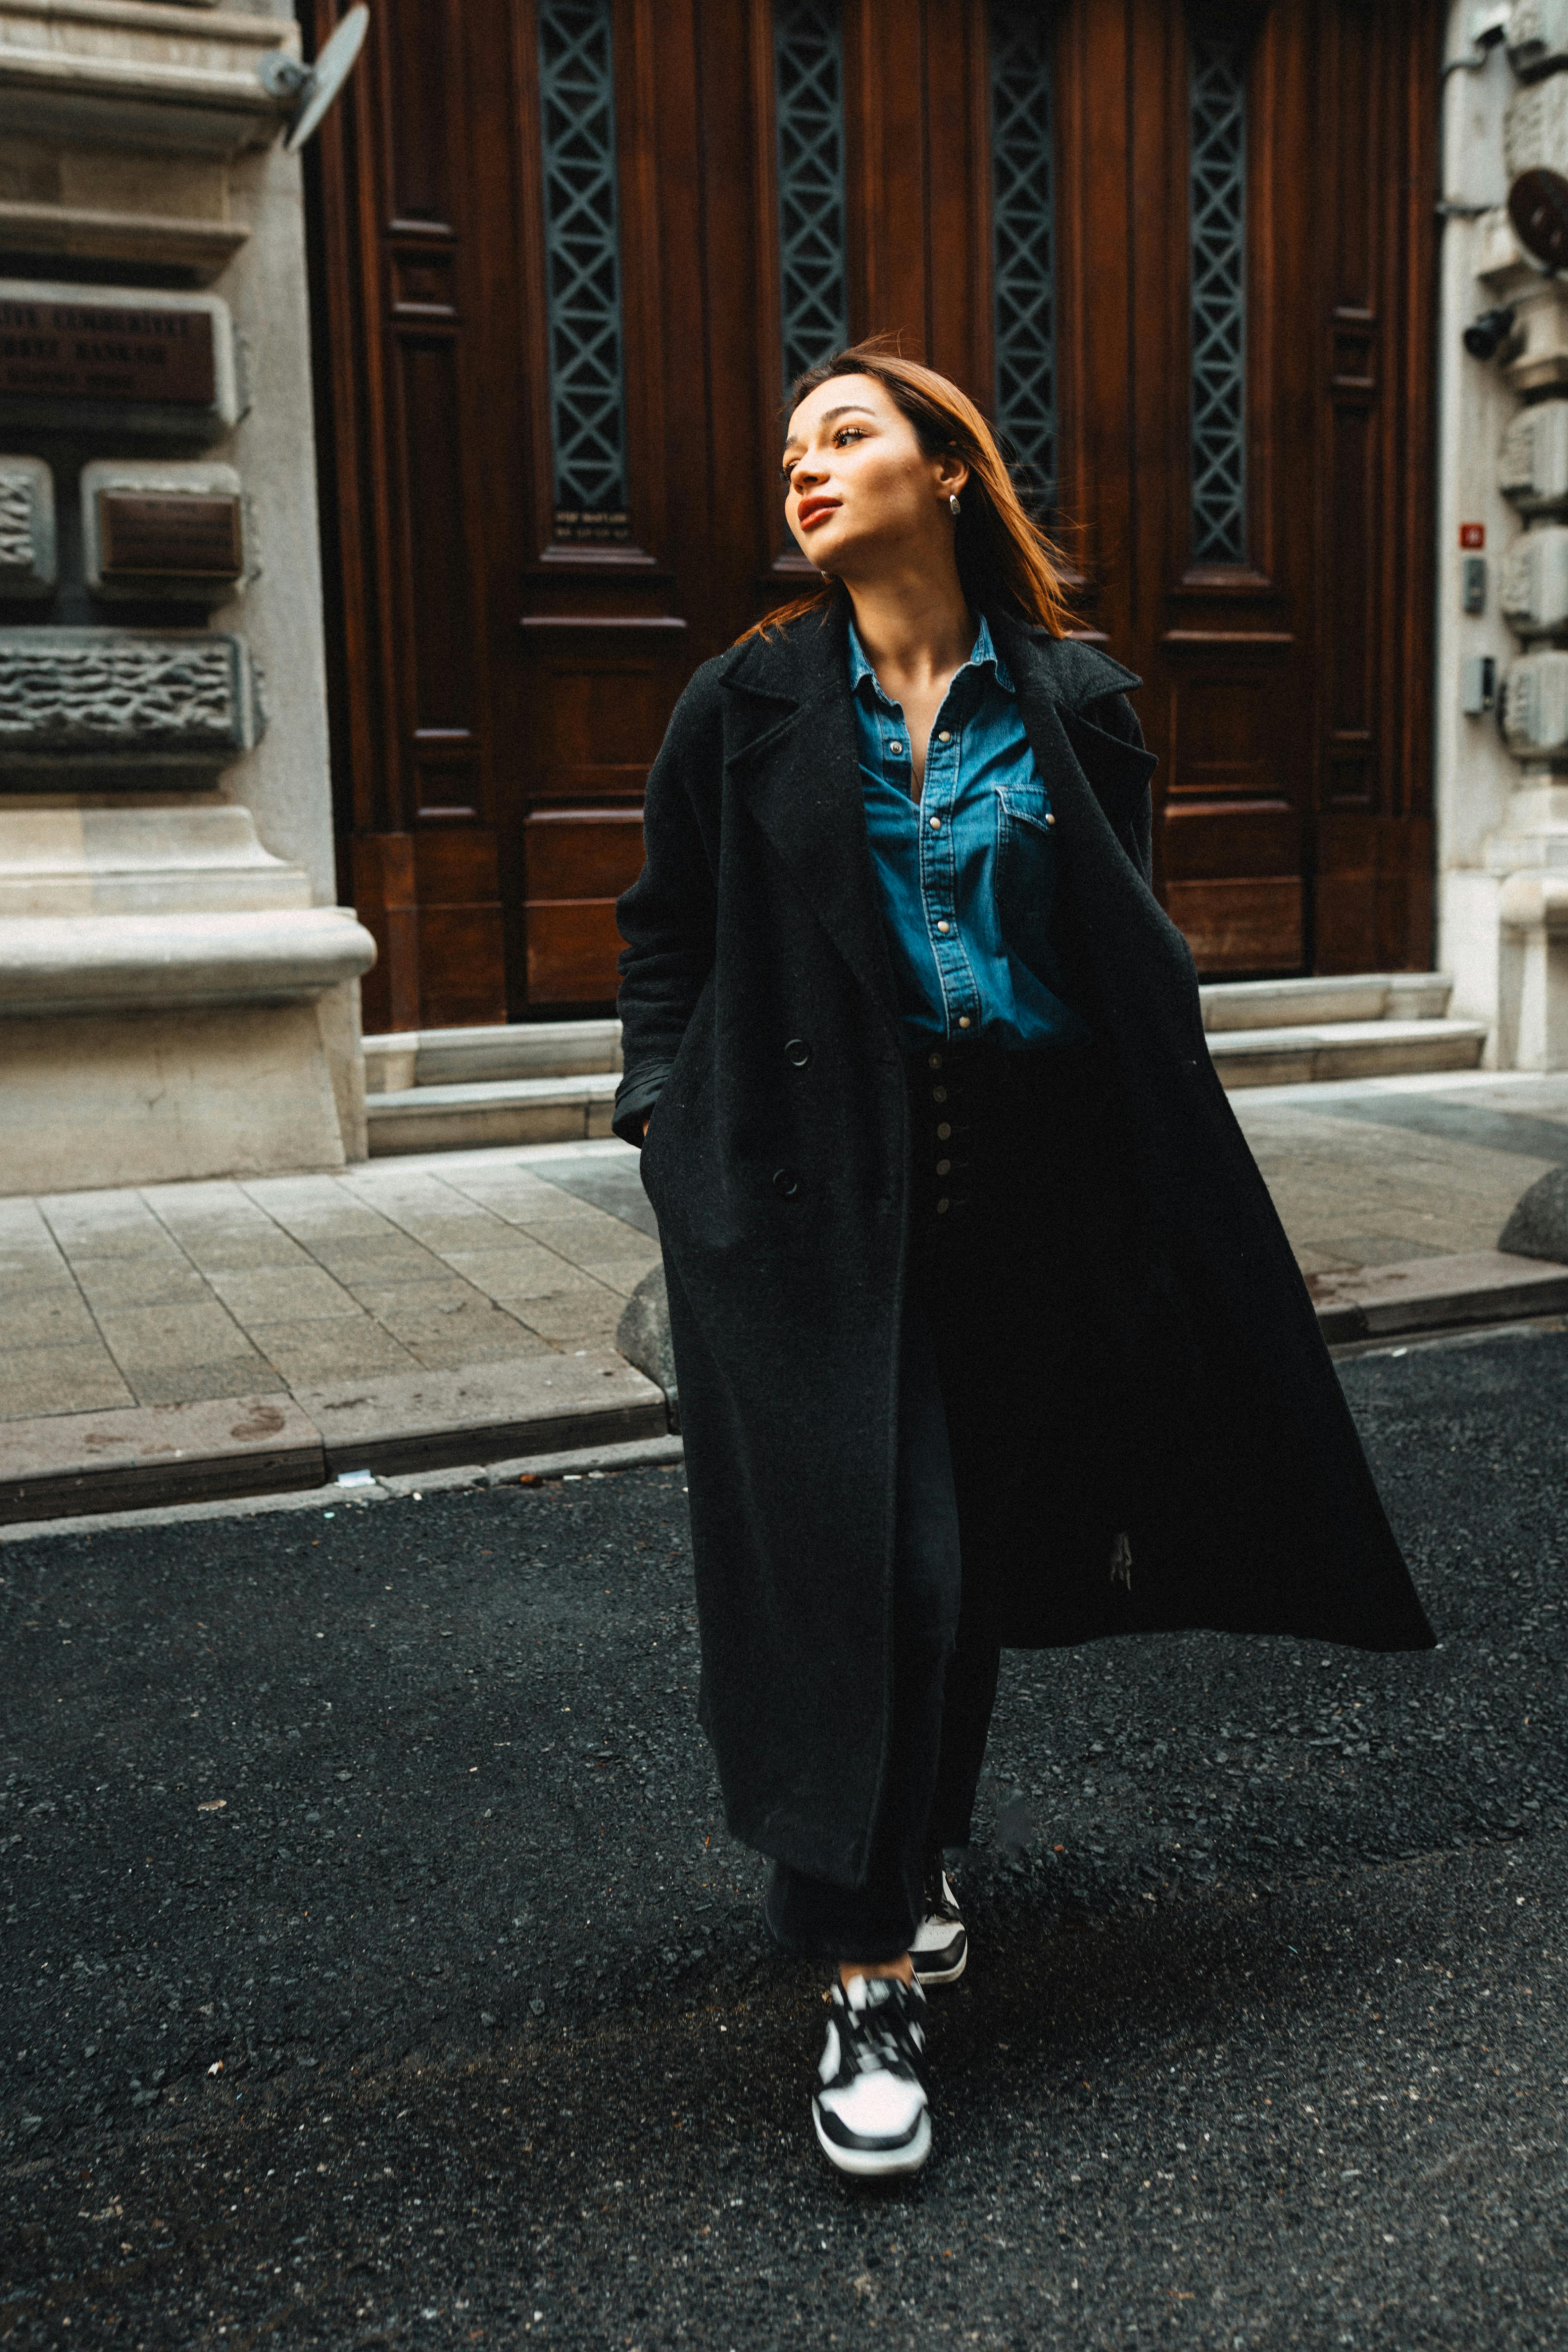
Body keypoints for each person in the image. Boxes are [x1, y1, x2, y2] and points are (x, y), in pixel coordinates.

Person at [612, 341, 1432, 2179]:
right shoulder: (737, 703)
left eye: (847, 434)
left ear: (947, 473)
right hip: (816, 1197)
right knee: (868, 1574)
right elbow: (663, 937)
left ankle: (919, 1849)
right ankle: (862, 1971)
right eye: (791, 444)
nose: (804, 467)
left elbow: (1110, 935)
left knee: (967, 1563)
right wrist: (664, 1124)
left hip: (1027, 1194)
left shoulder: (1076, 700)